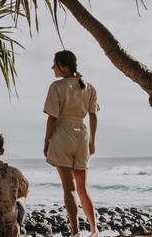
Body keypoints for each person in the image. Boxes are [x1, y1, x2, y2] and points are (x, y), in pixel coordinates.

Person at [44, 50, 99, 237]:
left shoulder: (57, 87)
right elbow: (93, 116)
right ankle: (94, 230)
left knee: (69, 188)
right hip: (81, 135)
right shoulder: (88, 86)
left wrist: (46, 141)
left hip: (62, 136)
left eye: (55, 64)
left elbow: (52, 118)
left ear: (64, 66)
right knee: (83, 188)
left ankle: (75, 232)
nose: (52, 67)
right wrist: (92, 141)